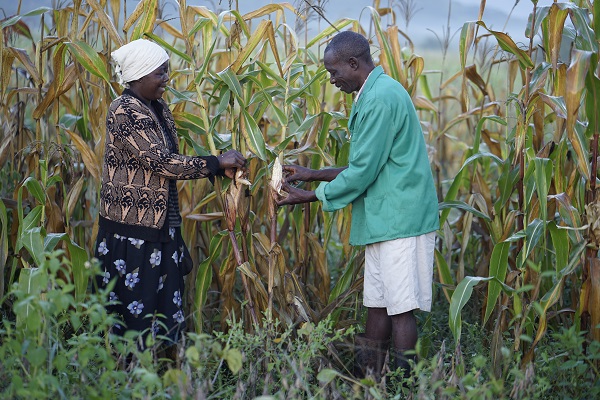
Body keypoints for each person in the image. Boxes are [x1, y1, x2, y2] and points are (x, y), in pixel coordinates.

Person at [276, 31, 439, 379]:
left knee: (400, 309)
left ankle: (402, 384)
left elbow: (363, 171)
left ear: (354, 64)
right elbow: (368, 163)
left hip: (401, 219)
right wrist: (314, 174)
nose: (333, 80)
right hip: (385, 219)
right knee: (378, 303)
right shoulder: (372, 94)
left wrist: (310, 195)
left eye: (334, 72)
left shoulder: (380, 99)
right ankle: (368, 381)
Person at [95, 39, 245, 346]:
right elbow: (161, 162)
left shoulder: (157, 106)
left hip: (162, 225)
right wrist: (215, 163)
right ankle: (130, 383)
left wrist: (217, 167)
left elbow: (168, 159)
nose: (167, 79)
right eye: (160, 73)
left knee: (164, 314)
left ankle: (165, 379)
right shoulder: (124, 110)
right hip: (133, 230)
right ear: (139, 74)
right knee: (133, 317)